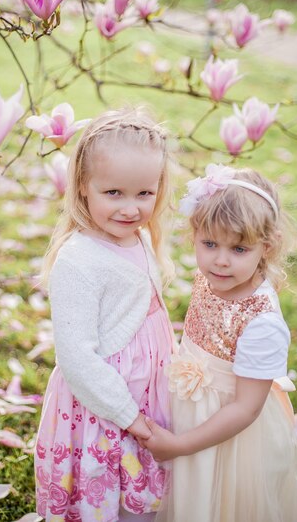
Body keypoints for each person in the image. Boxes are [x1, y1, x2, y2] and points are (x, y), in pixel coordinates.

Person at [140, 164, 297, 522]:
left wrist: (179, 445)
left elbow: (245, 409)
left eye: (238, 249)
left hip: (230, 436)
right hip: (190, 410)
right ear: (195, 236)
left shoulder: (261, 322)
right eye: (209, 244)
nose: (220, 261)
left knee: (219, 503)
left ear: (266, 248)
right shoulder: (208, 279)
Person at [34, 108, 176, 522]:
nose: (130, 209)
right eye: (113, 193)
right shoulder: (78, 261)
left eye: (144, 194)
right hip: (108, 406)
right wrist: (133, 421)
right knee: (108, 493)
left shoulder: (138, 237)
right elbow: (77, 360)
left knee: (142, 494)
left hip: (145, 394)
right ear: (82, 187)